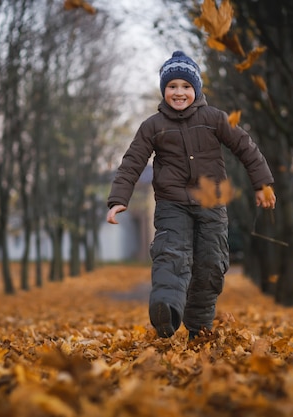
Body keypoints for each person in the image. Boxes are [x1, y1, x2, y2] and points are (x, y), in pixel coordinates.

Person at [106, 51, 276, 340]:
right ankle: (167, 311)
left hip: (211, 201)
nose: (179, 92)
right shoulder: (153, 126)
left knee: (211, 263)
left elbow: (246, 147)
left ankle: (198, 326)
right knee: (171, 253)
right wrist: (118, 199)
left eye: (186, 86)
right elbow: (133, 161)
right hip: (172, 204)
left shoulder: (215, 118)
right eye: (172, 86)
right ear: (163, 90)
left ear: (196, 89)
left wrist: (261, 184)